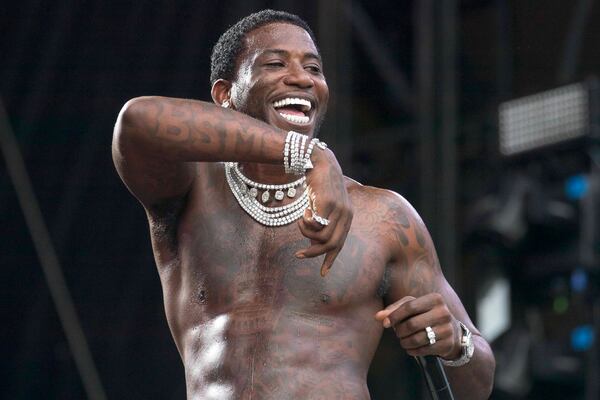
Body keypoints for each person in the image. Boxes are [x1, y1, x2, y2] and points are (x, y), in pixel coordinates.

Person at [112, 9, 495, 400]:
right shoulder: (192, 188)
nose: (302, 78)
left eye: (314, 68)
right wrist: (308, 154)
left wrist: (456, 343)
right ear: (223, 95)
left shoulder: (383, 217)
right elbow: (136, 122)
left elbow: (479, 384)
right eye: (275, 63)